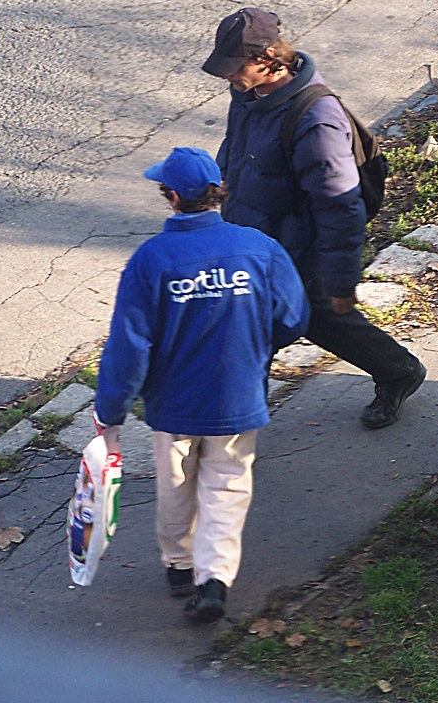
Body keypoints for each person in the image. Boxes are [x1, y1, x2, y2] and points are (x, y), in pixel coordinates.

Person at [94, 147, 310, 623]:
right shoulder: (259, 247)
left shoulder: (152, 259)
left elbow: (129, 345)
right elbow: (293, 318)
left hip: (174, 403)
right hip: (237, 394)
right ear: (218, 192)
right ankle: (215, 579)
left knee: (176, 486)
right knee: (228, 484)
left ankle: (178, 565)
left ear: (170, 197)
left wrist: (109, 410)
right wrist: (256, 345)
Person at [201, 7, 427, 429]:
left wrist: (342, 280)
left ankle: (231, 431)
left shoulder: (317, 121)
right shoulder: (250, 97)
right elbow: (236, 149)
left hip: (295, 250)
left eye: (236, 67)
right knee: (315, 316)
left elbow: (339, 206)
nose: (227, 76)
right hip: (257, 241)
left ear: (269, 59)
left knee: (252, 328)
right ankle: (398, 370)